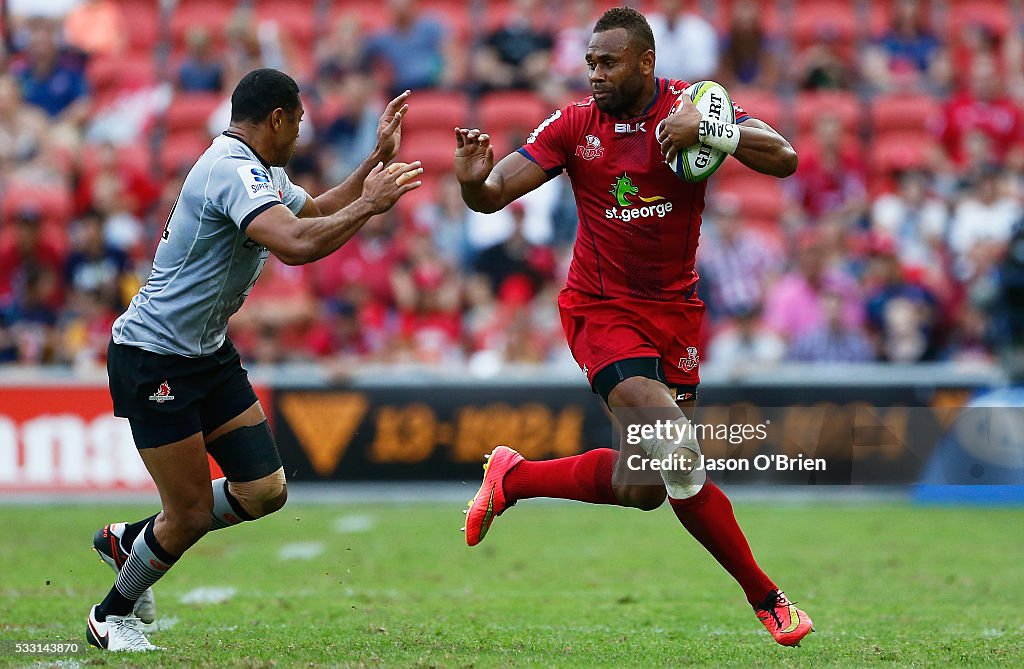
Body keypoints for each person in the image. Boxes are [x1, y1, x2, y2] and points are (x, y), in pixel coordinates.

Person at [454, 7, 813, 647]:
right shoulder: (573, 126)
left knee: (641, 486)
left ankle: (514, 477)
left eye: (607, 62)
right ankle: (769, 599)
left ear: (645, 62)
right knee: (679, 451)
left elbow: (784, 159)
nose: (594, 74)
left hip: (674, 315)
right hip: (601, 310)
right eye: (589, 62)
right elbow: (493, 193)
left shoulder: (693, 108)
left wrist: (716, 129)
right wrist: (474, 183)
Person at [85, 68, 422, 652]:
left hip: (205, 353)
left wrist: (374, 163)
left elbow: (313, 213)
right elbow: (295, 246)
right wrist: (370, 206)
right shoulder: (230, 170)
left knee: (264, 490)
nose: (300, 133)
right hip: (154, 357)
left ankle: (131, 543)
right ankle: (111, 614)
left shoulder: (258, 171)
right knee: (188, 514)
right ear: (277, 118)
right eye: (298, 121)